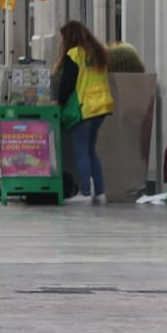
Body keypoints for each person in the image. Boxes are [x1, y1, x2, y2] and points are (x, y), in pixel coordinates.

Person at [54, 20, 115, 204]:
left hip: (84, 108)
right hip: (101, 107)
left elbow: (67, 83)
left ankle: (86, 193)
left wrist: (58, 101)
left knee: (81, 151)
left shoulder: (74, 54)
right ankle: (100, 192)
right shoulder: (97, 53)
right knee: (90, 151)